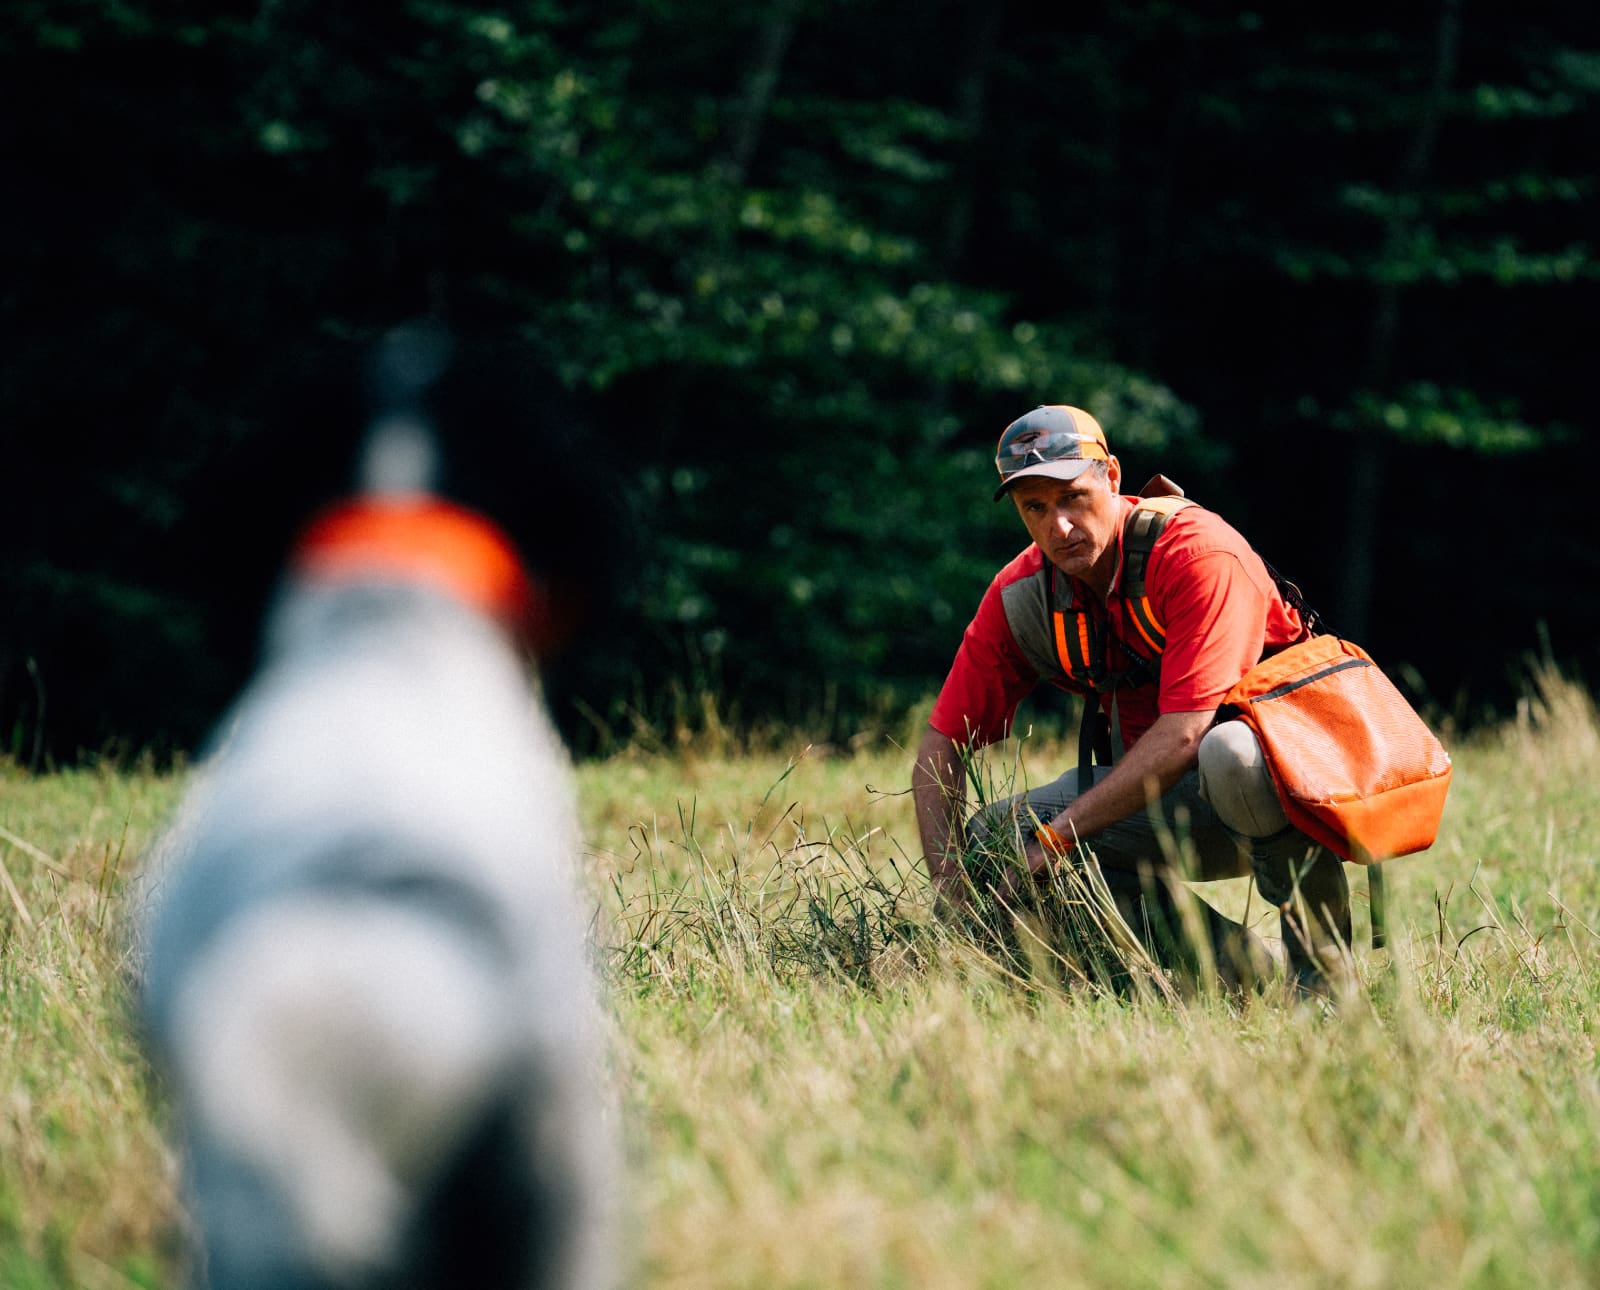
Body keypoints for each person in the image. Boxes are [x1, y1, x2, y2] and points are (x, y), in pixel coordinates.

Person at [912, 404, 1352, 995]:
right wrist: (950, 893)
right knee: (999, 839)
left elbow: (1186, 734)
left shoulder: (1198, 554)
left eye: (1072, 497)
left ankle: (1325, 983)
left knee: (1230, 753)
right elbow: (942, 741)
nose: (1058, 526)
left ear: (1113, 477)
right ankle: (1250, 978)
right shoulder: (1022, 593)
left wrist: (1058, 838)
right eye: (1034, 508)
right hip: (1174, 799)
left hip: (1297, 789)